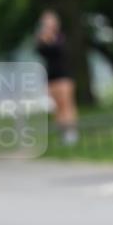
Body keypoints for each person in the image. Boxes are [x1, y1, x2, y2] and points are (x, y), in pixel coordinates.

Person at [35, 10, 79, 145]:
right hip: (51, 77)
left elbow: (59, 50)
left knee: (67, 104)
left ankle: (71, 133)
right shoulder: (42, 39)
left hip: (64, 75)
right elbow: (40, 51)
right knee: (57, 106)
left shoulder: (61, 37)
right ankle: (63, 134)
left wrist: (49, 38)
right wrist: (43, 39)